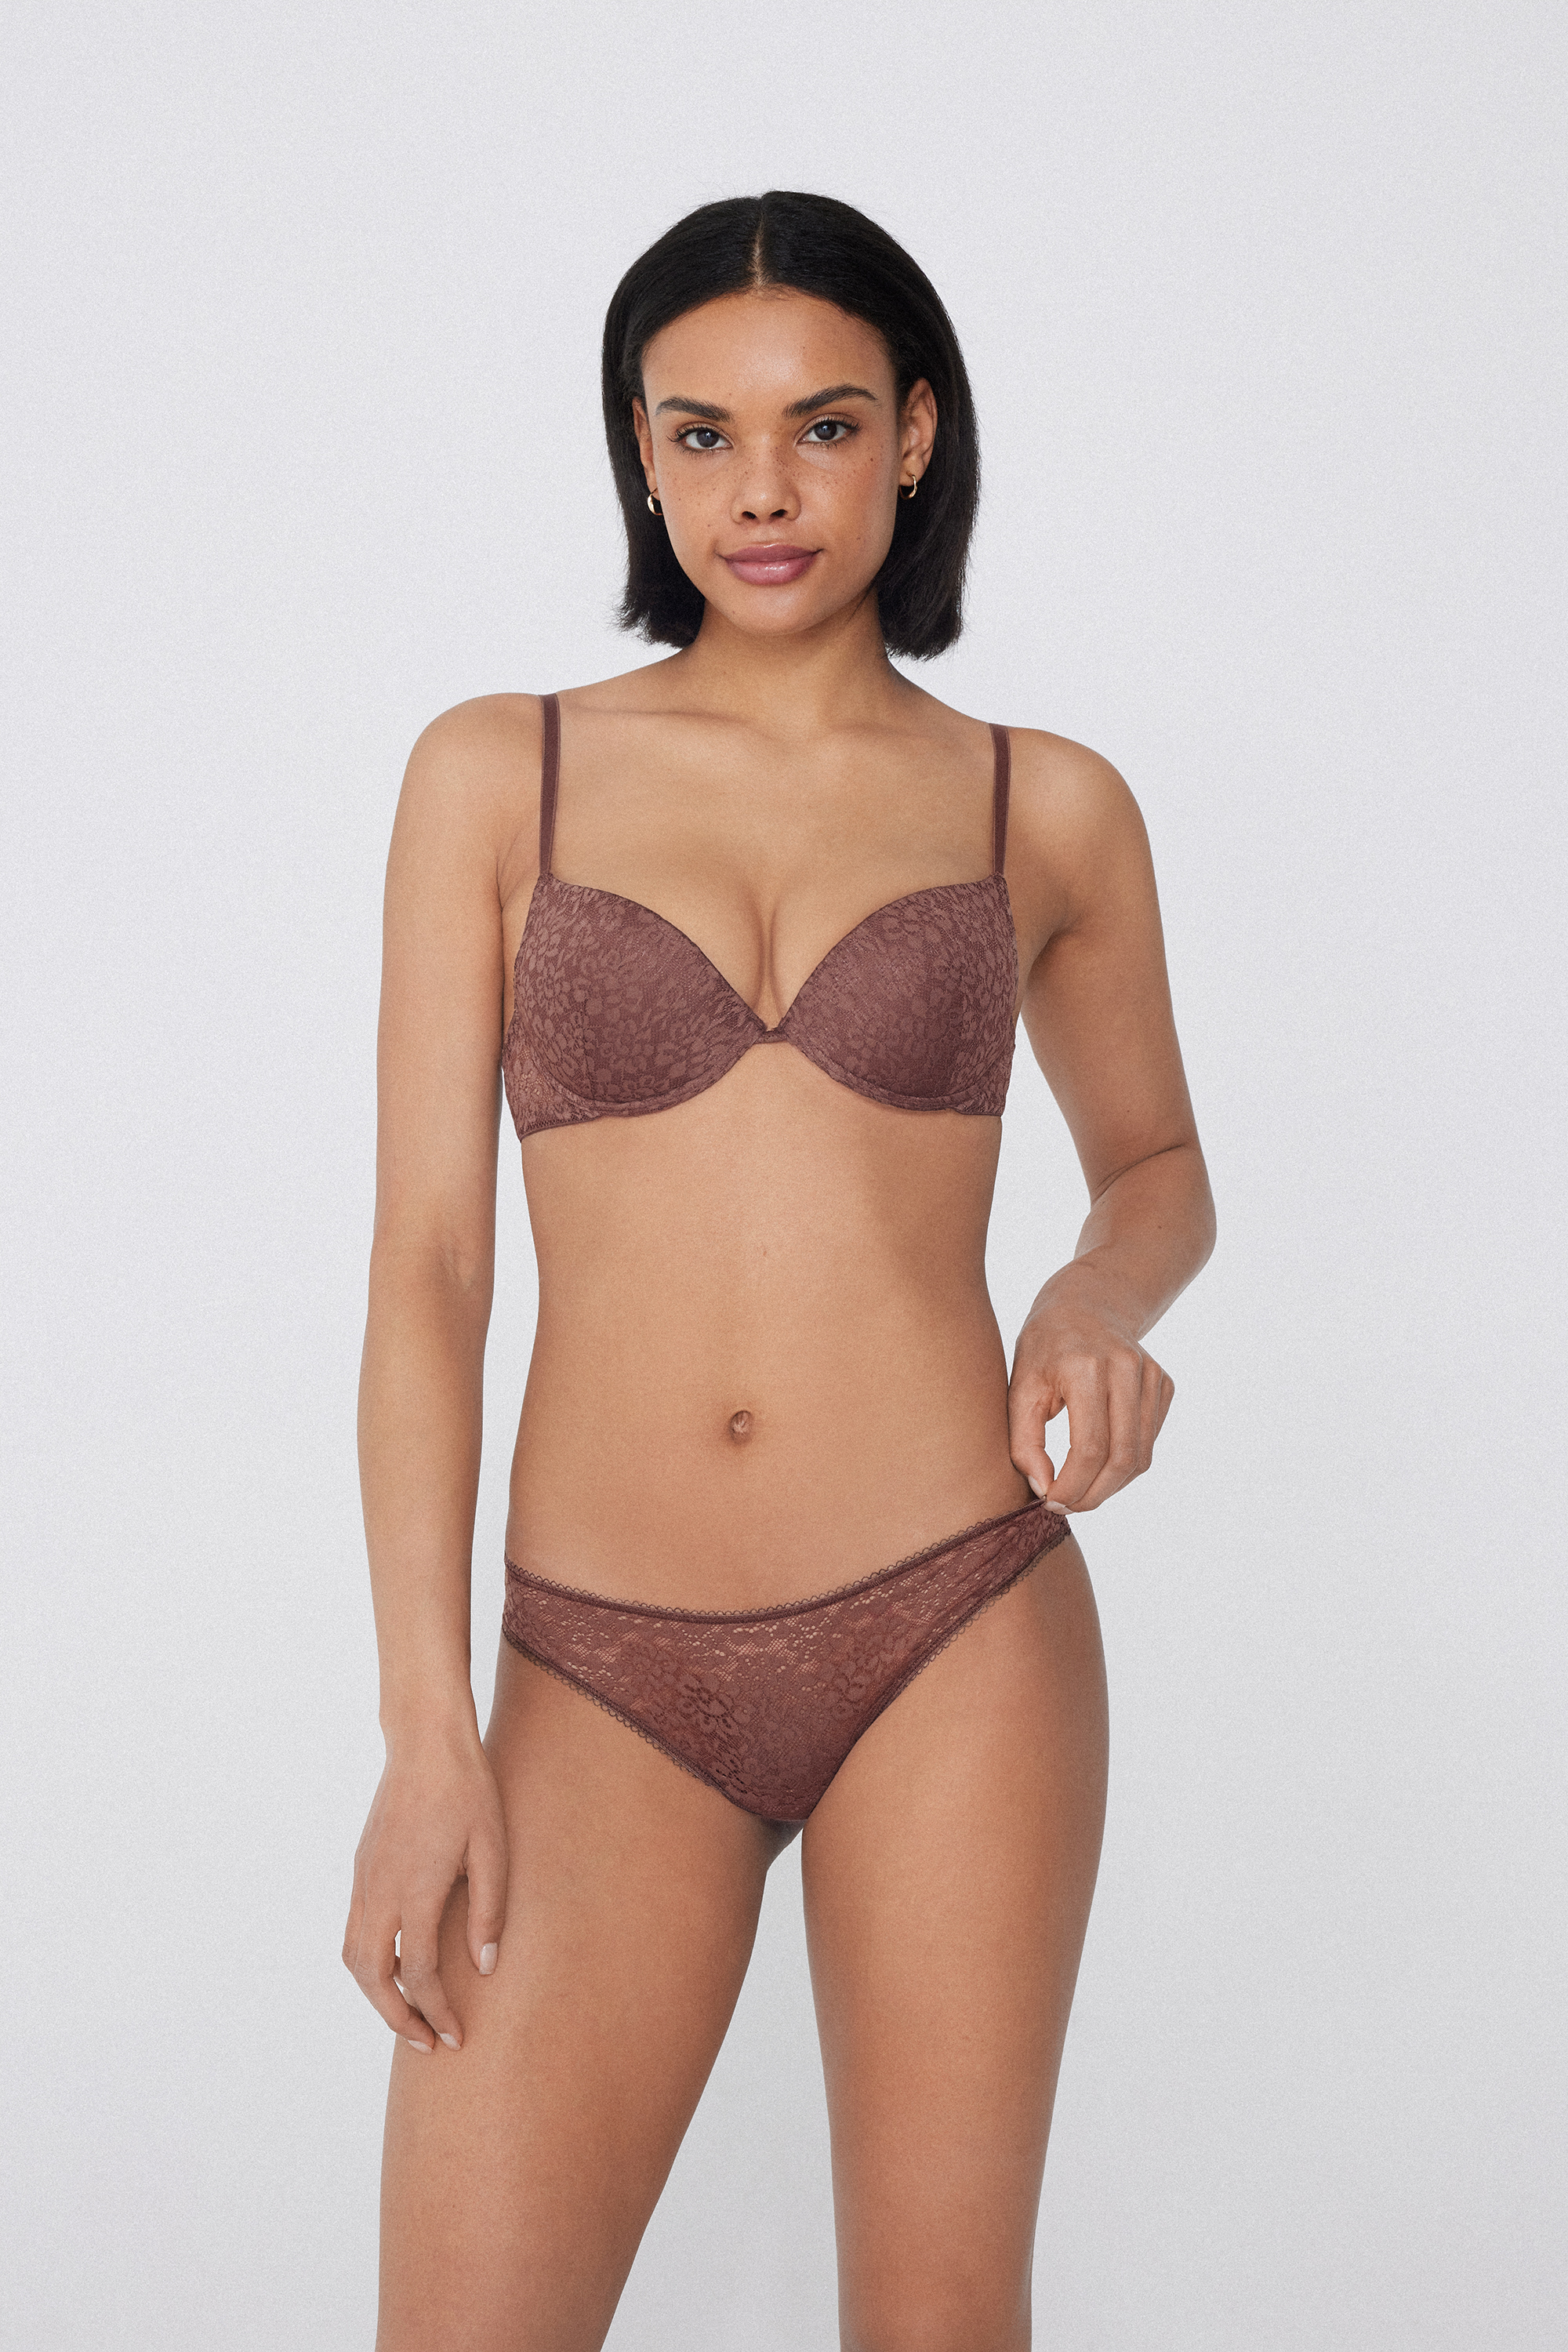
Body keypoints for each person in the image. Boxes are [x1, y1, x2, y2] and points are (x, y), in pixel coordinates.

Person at [343, 189, 1214, 2352]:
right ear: (639, 453)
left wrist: (1094, 1303)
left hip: (954, 1620)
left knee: (937, 2322)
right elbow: (430, 1270)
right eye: (702, 434)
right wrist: (428, 1736)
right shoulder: (502, 772)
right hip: (596, 1666)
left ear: (913, 434)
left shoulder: (1042, 806)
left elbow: (1161, 1170)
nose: (763, 491)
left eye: (822, 426)